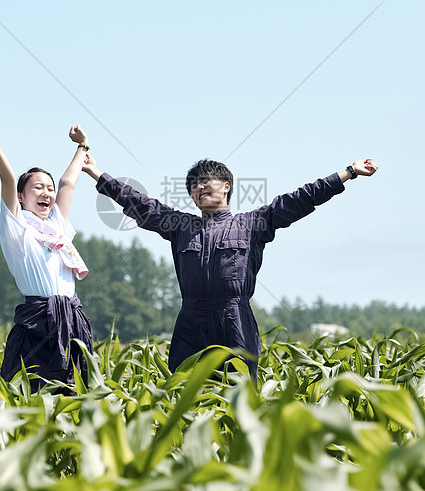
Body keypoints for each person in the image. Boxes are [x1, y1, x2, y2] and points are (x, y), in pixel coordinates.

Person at [81, 154, 378, 384]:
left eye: (204, 181)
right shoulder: (181, 226)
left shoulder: (252, 224)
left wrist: (348, 173)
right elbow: (141, 204)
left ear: (226, 186)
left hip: (234, 319)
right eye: (193, 185)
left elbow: (300, 199)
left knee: (240, 395)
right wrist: (97, 173)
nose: (198, 188)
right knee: (184, 393)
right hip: (191, 322)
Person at [0, 110, 93, 392]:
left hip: (71, 321)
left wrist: (83, 147)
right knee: (31, 394)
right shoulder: (17, 228)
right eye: (38, 188)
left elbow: (68, 183)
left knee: (75, 395)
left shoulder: (57, 226)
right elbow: (7, 179)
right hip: (37, 322)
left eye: (49, 188)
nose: (47, 193)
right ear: (21, 197)